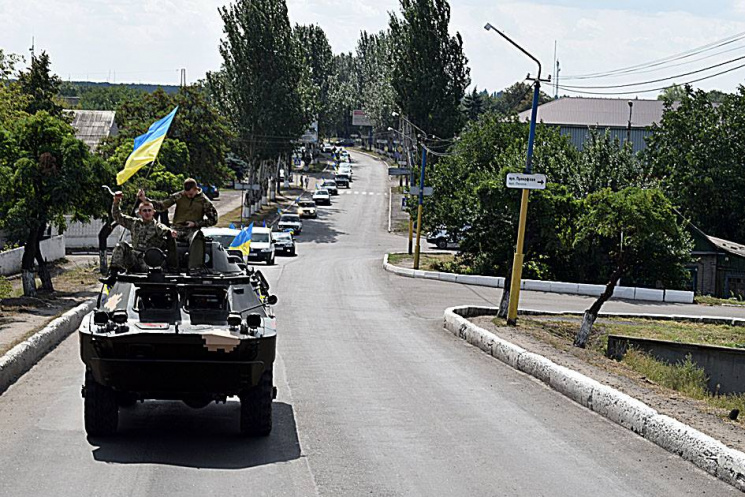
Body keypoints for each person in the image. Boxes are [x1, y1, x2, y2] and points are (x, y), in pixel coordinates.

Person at [138, 178, 218, 272]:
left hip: (192, 229)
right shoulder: (179, 196)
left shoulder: (204, 201)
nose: (188, 196)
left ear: (196, 189)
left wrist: (196, 224)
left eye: (191, 194)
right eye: (186, 194)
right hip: (177, 228)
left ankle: (195, 268)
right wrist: (145, 199)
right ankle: (171, 266)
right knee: (168, 237)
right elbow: (162, 206)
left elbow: (214, 219)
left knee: (198, 237)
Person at [110, 192, 176, 274]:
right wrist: (116, 201)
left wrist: (171, 232)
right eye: (144, 211)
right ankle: (113, 273)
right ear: (140, 213)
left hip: (148, 260)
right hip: (133, 258)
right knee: (120, 245)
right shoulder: (134, 223)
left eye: (149, 210)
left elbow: (166, 230)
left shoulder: (157, 226)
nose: (147, 213)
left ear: (153, 212)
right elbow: (117, 216)